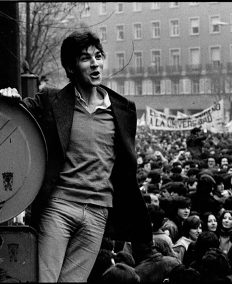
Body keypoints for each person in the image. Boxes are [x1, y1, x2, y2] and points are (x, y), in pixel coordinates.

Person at [0, 30, 152, 282]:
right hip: (59, 207)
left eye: (98, 56)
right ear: (71, 67)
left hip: (98, 213)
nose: (94, 63)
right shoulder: (52, 100)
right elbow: (18, 121)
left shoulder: (123, 109)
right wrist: (9, 97)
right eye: (85, 58)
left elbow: (125, 167)